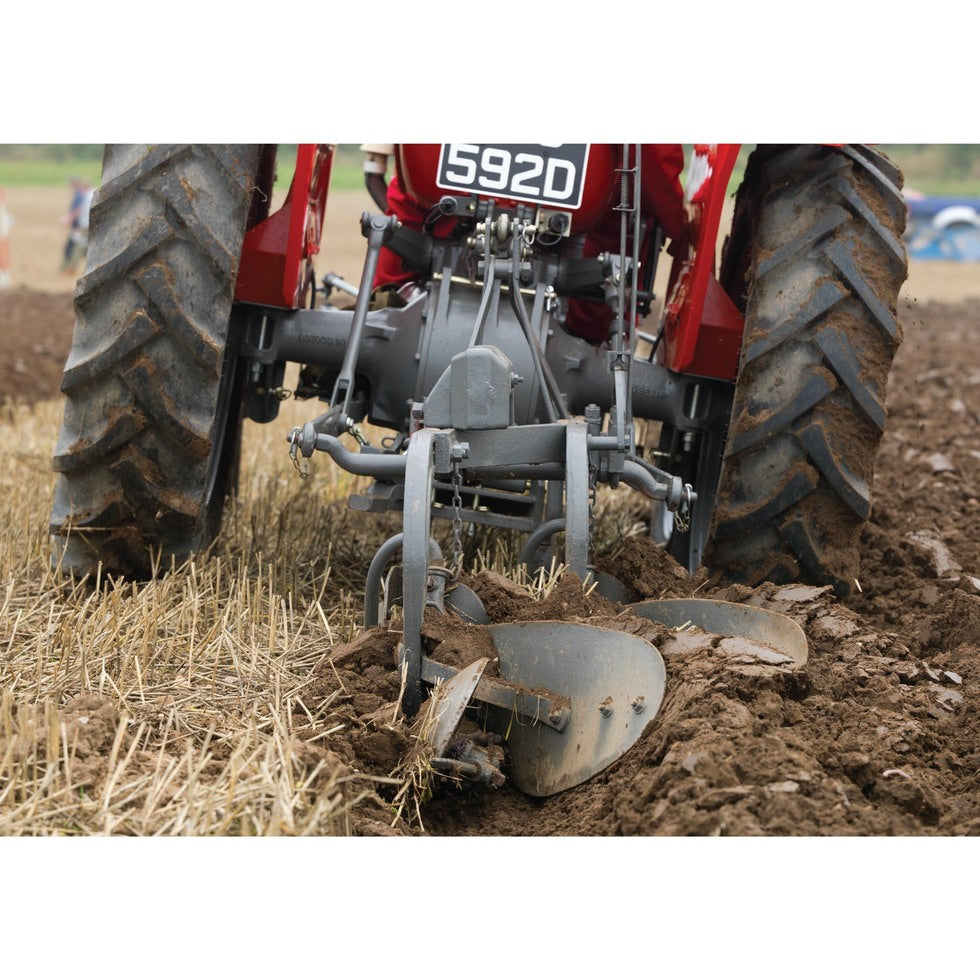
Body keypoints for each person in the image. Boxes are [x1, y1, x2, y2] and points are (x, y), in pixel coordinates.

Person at [61, 176, 94, 274]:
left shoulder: (87, 195)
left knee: (78, 247)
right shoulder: (93, 193)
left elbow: (80, 211)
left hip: (85, 226)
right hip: (88, 225)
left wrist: (68, 220)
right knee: (83, 247)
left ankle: (71, 269)